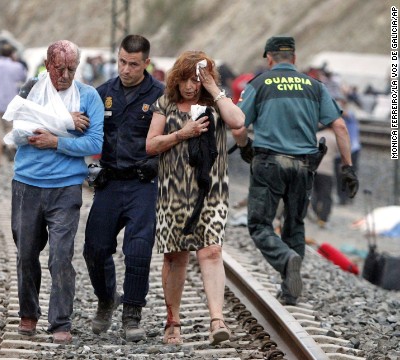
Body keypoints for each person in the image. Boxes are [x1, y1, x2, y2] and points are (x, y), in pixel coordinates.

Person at [232, 36, 359, 306]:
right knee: (295, 224)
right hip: (303, 166)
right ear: (295, 58)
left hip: (269, 164)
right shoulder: (315, 87)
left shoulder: (259, 84)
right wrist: (347, 168)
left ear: (269, 58)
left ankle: (285, 259)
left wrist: (245, 148)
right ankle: (290, 290)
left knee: (259, 224)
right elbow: (340, 127)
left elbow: (238, 126)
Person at [145, 51, 245, 345]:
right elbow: (151, 145)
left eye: (196, 79)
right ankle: (172, 321)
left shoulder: (216, 102)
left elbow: (238, 121)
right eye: (186, 79)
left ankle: (217, 320)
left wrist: (214, 88)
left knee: (211, 252)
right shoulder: (165, 103)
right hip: (173, 191)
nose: (190, 86)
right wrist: (182, 134)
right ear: (177, 78)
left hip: (211, 190)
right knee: (175, 256)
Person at [9, 40, 104, 344]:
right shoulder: (31, 89)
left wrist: (56, 140)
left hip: (65, 188)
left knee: (61, 257)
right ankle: (28, 313)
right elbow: (19, 131)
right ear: (47, 65)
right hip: (27, 184)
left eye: (71, 69)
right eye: (59, 68)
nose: (64, 75)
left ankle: (60, 322)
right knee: (26, 255)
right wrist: (65, 122)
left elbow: (95, 144)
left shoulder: (88, 96)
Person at [83, 35, 165, 342]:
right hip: (111, 182)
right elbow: (86, 131)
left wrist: (159, 164)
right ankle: (106, 300)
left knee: (139, 249)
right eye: (121, 62)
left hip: (144, 183)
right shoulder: (103, 92)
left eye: (133, 64)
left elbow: (173, 139)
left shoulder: (160, 95)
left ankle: (132, 314)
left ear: (146, 63)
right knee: (94, 248)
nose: (126, 69)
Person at [334, 96, 361, 205]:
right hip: (339, 150)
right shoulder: (338, 118)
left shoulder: (349, 115)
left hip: (352, 149)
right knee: (339, 174)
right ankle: (342, 197)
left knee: (350, 172)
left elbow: (346, 114)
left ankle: (349, 195)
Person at [311, 125, 338, 228]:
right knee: (326, 196)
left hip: (314, 168)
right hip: (327, 171)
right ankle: (323, 219)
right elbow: (338, 153)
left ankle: (316, 213)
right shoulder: (334, 139)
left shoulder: (317, 135)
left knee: (315, 194)